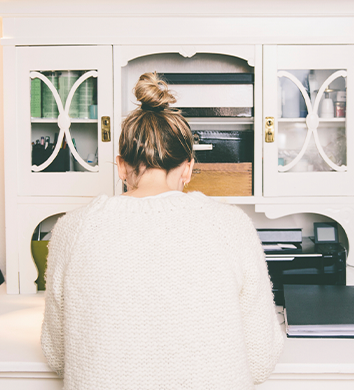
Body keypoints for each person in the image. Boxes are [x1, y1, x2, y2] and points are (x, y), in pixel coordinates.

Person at [41, 72, 285, 389]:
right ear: (188, 167)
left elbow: (57, 356)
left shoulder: (71, 229)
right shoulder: (231, 226)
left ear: (121, 166)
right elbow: (260, 359)